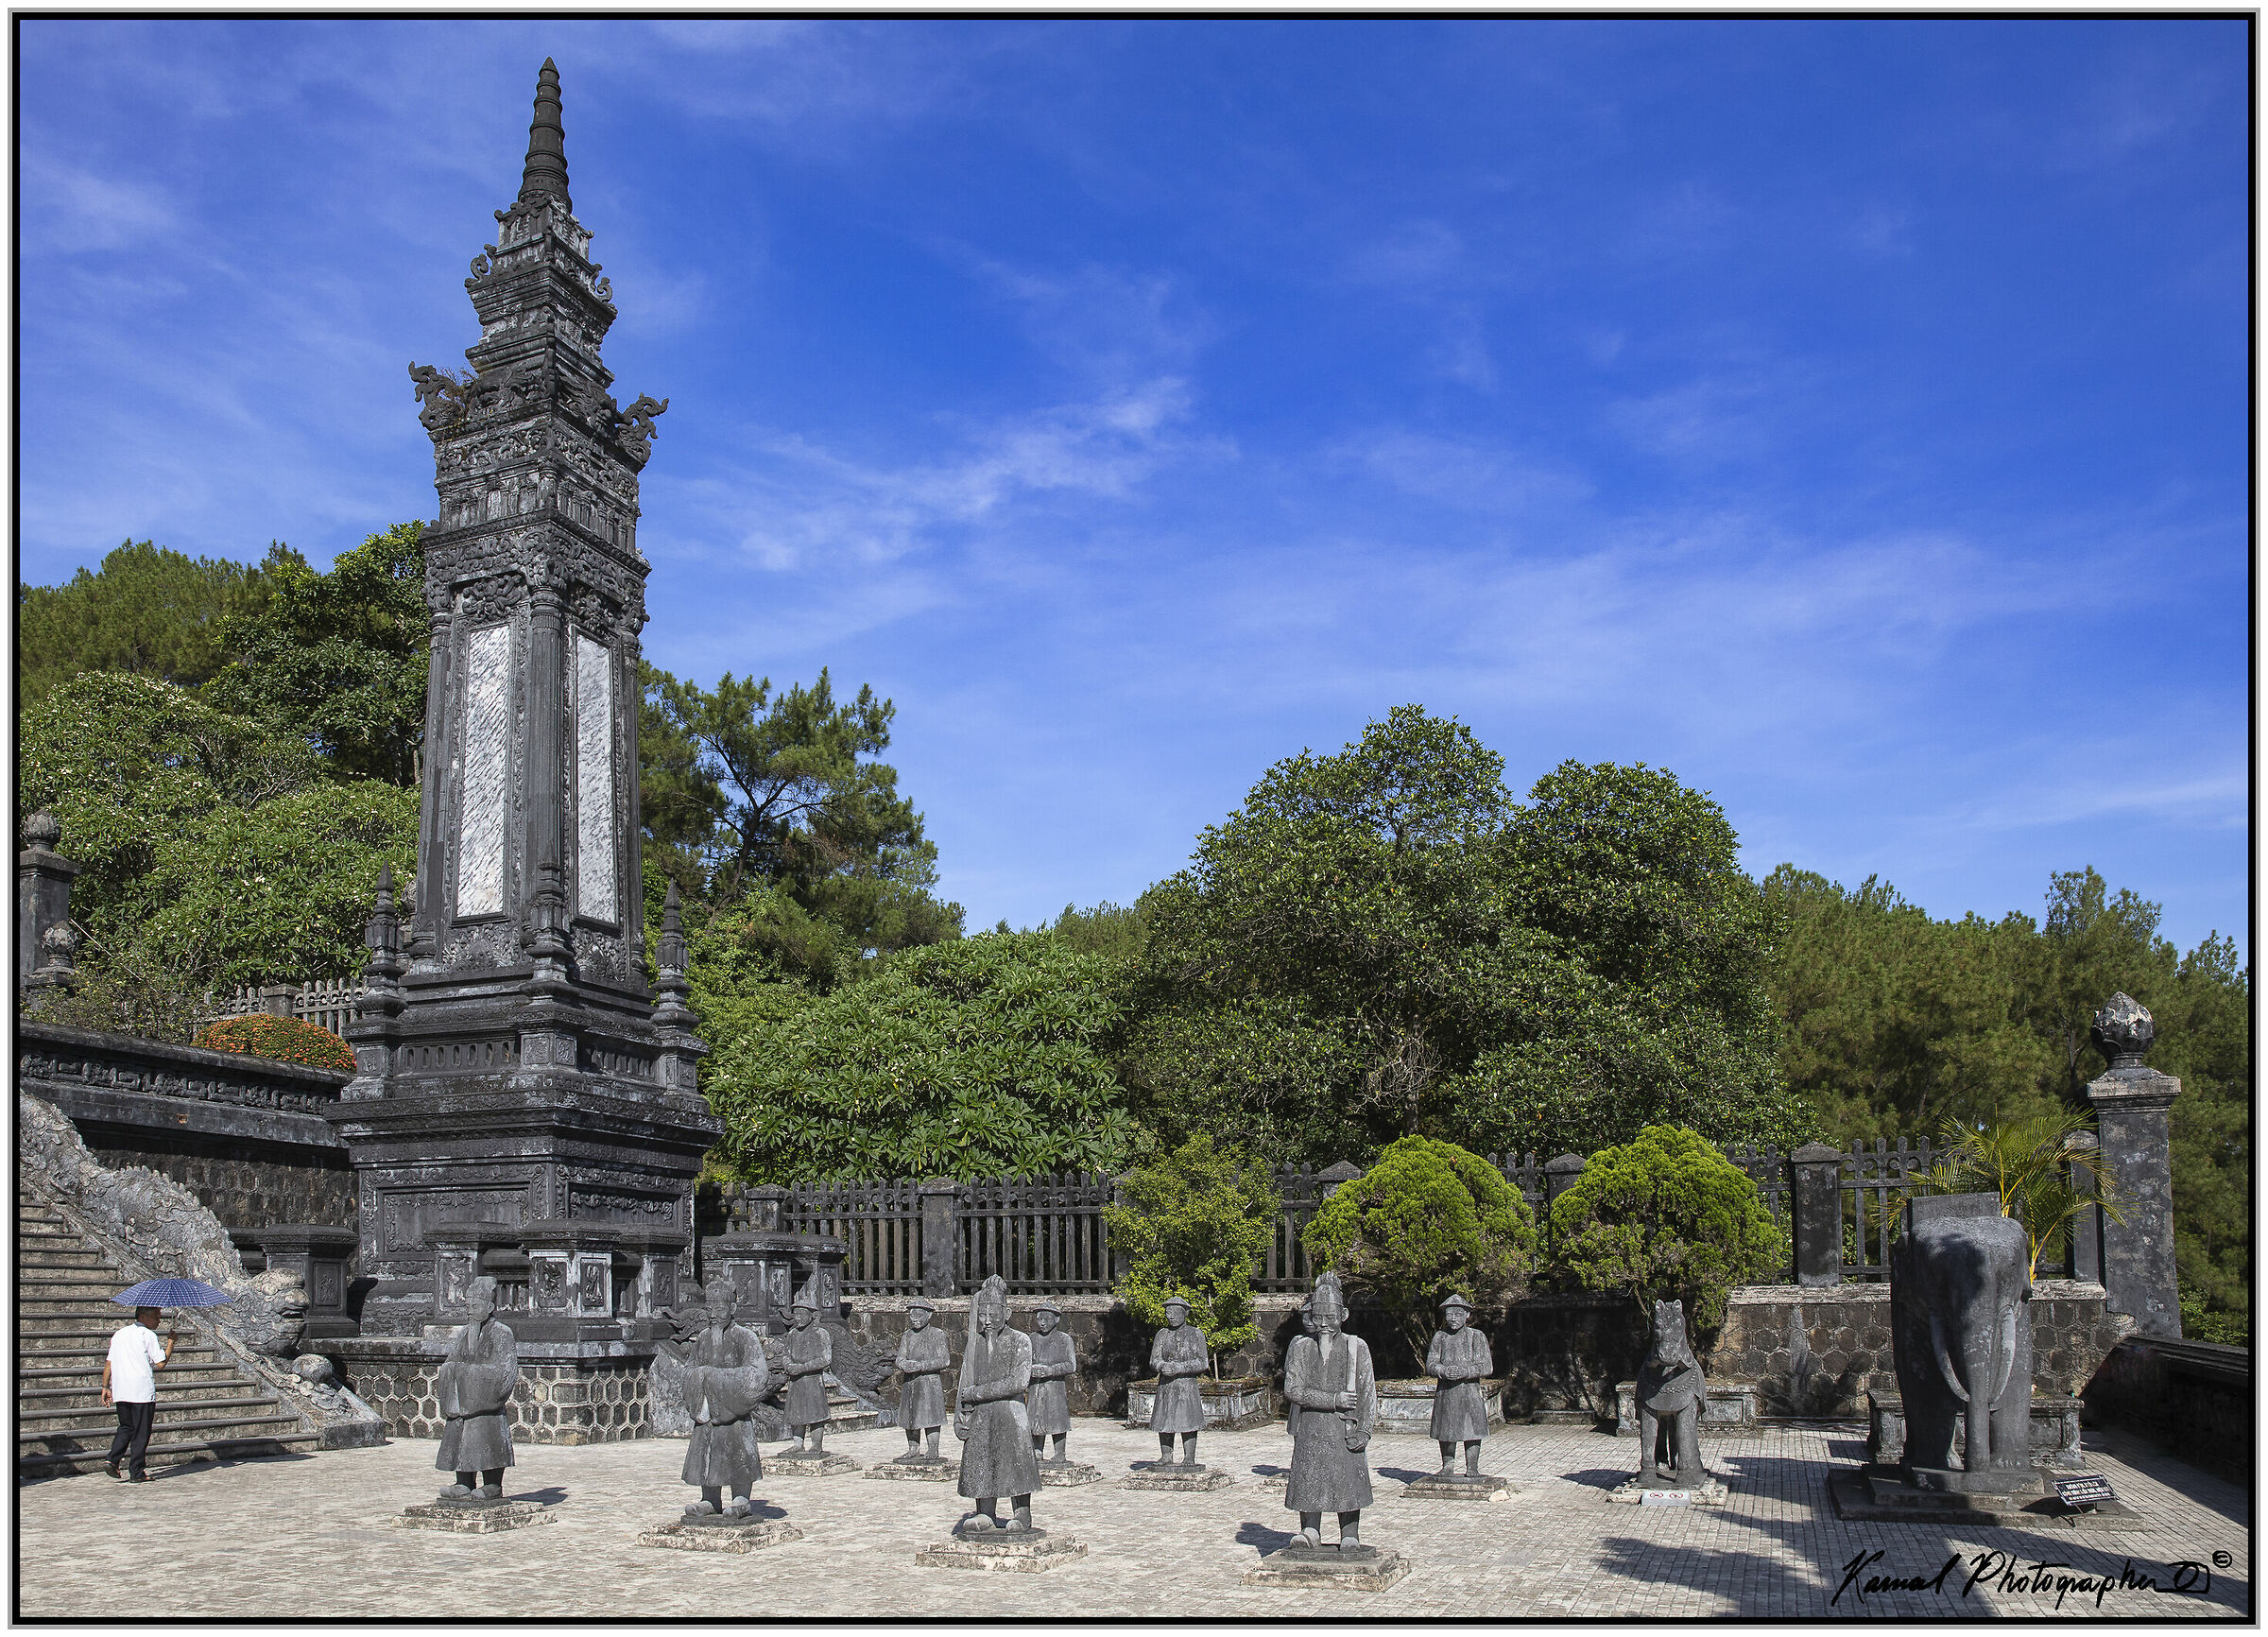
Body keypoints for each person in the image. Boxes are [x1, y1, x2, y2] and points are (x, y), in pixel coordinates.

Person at [1280, 1270, 1376, 1548]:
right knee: (1310, 1479)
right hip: (1310, 1428)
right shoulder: (1300, 1347)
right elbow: (1293, 1390)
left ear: (1343, 1315)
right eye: (1318, 1317)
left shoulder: (1356, 1347)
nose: (1323, 1324)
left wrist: (1366, 1431)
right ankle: (1310, 1530)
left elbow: (1368, 1393)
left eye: (1330, 1318)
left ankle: (1350, 1534)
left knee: (1347, 1481)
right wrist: (1333, 1400)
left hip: (1345, 1429)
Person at [954, 1274, 1040, 1532]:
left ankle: (1022, 1513)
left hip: (1010, 1413)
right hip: (981, 1416)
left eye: (994, 1313)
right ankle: (985, 1512)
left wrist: (977, 1393)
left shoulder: (1020, 1341)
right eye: (982, 1314)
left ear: (1008, 1312)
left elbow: (1018, 1382)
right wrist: (960, 1416)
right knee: (981, 1458)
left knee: (1016, 1462)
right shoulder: (976, 1343)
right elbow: (964, 1382)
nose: (988, 1320)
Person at [679, 1279, 771, 1517]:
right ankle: (709, 1498)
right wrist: (700, 1377)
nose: (713, 1316)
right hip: (707, 1410)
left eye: (719, 1310)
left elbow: (757, 1374)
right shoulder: (703, 1339)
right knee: (707, 1449)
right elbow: (689, 1371)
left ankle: (741, 1498)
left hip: (734, 1412)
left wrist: (715, 1379)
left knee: (737, 1450)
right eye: (709, 1310)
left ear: (732, 1309)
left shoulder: (745, 1338)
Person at [435, 1277, 520, 1502]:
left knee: (484, 1434)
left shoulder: (502, 1333)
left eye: (475, 1306)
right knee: (460, 1430)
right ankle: (463, 1482)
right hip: (463, 1402)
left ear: (489, 1307)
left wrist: (469, 1376)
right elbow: (450, 1364)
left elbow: (505, 1372)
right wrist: (455, 1373)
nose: (470, 1311)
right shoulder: (464, 1334)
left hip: (486, 1406)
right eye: (468, 1307)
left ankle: (493, 1485)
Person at [102, 1305, 176, 1481]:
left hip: (121, 1389)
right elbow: (161, 1363)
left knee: (126, 1427)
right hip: (141, 1390)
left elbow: (109, 1363)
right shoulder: (148, 1335)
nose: (159, 1321)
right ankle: (136, 1471)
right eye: (157, 1317)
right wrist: (171, 1343)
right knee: (141, 1432)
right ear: (143, 1317)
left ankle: (112, 1459)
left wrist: (105, 1386)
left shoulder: (119, 1334)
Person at [1424, 1293, 1494, 1476]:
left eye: (1457, 1314)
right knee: (1446, 1429)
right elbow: (1430, 1364)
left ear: (1467, 1315)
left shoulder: (1476, 1337)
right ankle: (1448, 1466)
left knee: (1472, 1430)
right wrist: (1443, 1371)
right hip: (1446, 1391)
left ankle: (1472, 1467)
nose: (1453, 1318)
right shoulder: (1440, 1337)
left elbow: (1487, 1366)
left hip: (1470, 1390)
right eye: (1449, 1314)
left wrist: (1466, 1372)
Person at [1147, 1296, 1209, 1468]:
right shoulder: (1162, 1334)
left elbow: (1203, 1362)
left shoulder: (1195, 1334)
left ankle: (1189, 1457)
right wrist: (1162, 1366)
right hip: (1166, 1385)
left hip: (1186, 1385)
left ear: (1185, 1313)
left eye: (1175, 1312)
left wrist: (1180, 1368)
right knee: (1164, 1420)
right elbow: (1153, 1359)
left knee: (1188, 1420)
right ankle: (1166, 1455)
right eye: (1168, 1313)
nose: (1170, 1316)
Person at [895, 1296, 950, 1461]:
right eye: (912, 1317)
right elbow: (899, 1357)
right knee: (909, 1415)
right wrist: (904, 1364)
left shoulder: (937, 1334)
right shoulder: (908, 1335)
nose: (915, 1320)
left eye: (919, 1316)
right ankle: (913, 1448)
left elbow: (944, 1360)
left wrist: (921, 1365)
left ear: (928, 1316)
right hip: (911, 1381)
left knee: (931, 1416)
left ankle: (933, 1449)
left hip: (929, 1382)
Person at [1026, 1299, 1075, 1464]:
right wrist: (1032, 1370)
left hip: (1055, 1386)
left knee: (1058, 1418)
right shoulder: (1032, 1339)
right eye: (1039, 1319)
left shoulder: (1064, 1339)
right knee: (1036, 1417)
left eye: (1046, 1319)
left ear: (1056, 1319)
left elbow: (1071, 1365)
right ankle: (1037, 1450)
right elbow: (1023, 1362)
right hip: (1036, 1385)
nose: (1042, 1323)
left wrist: (1051, 1370)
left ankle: (1059, 1452)